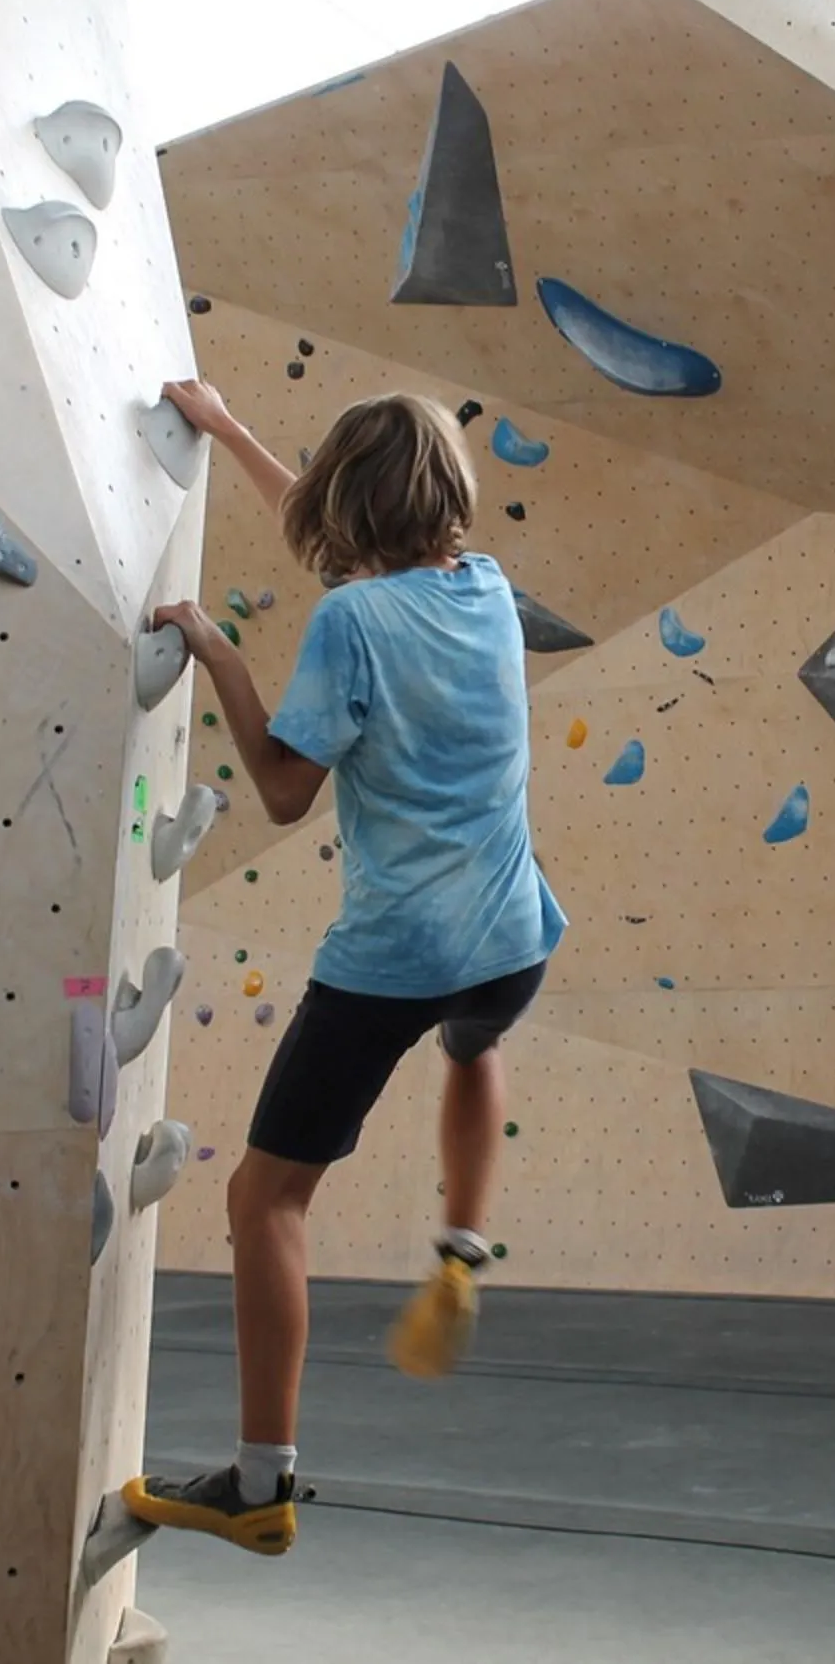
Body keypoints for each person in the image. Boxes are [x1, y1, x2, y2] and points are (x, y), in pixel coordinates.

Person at [121, 379, 567, 1556]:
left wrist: (218, 651)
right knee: (475, 1037)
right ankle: (461, 1246)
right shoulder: (487, 591)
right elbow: (345, 550)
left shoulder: (349, 625)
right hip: (508, 940)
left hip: (392, 959)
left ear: (343, 498)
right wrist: (229, 430)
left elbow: (282, 791)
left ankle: (258, 1482)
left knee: (264, 1198)